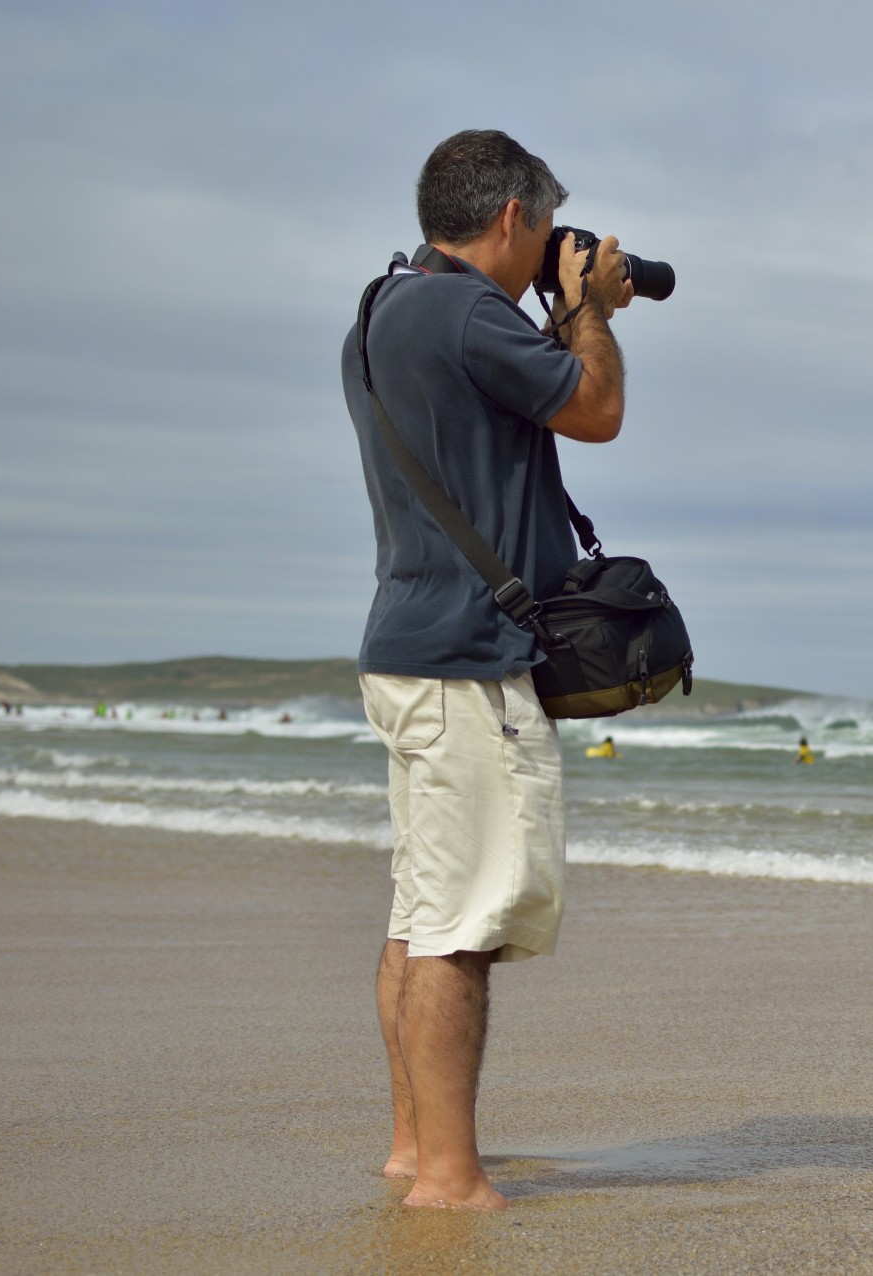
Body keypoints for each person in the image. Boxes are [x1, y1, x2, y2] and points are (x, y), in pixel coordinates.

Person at [342, 129, 634, 1211]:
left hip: (407, 645)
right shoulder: (468, 313)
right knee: (462, 928)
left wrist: (562, 311)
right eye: (549, 224)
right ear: (512, 216)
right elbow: (595, 410)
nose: (554, 245)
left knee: (421, 914)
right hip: (468, 661)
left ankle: (417, 1146)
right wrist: (591, 308)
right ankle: (451, 1181)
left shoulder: (383, 310)